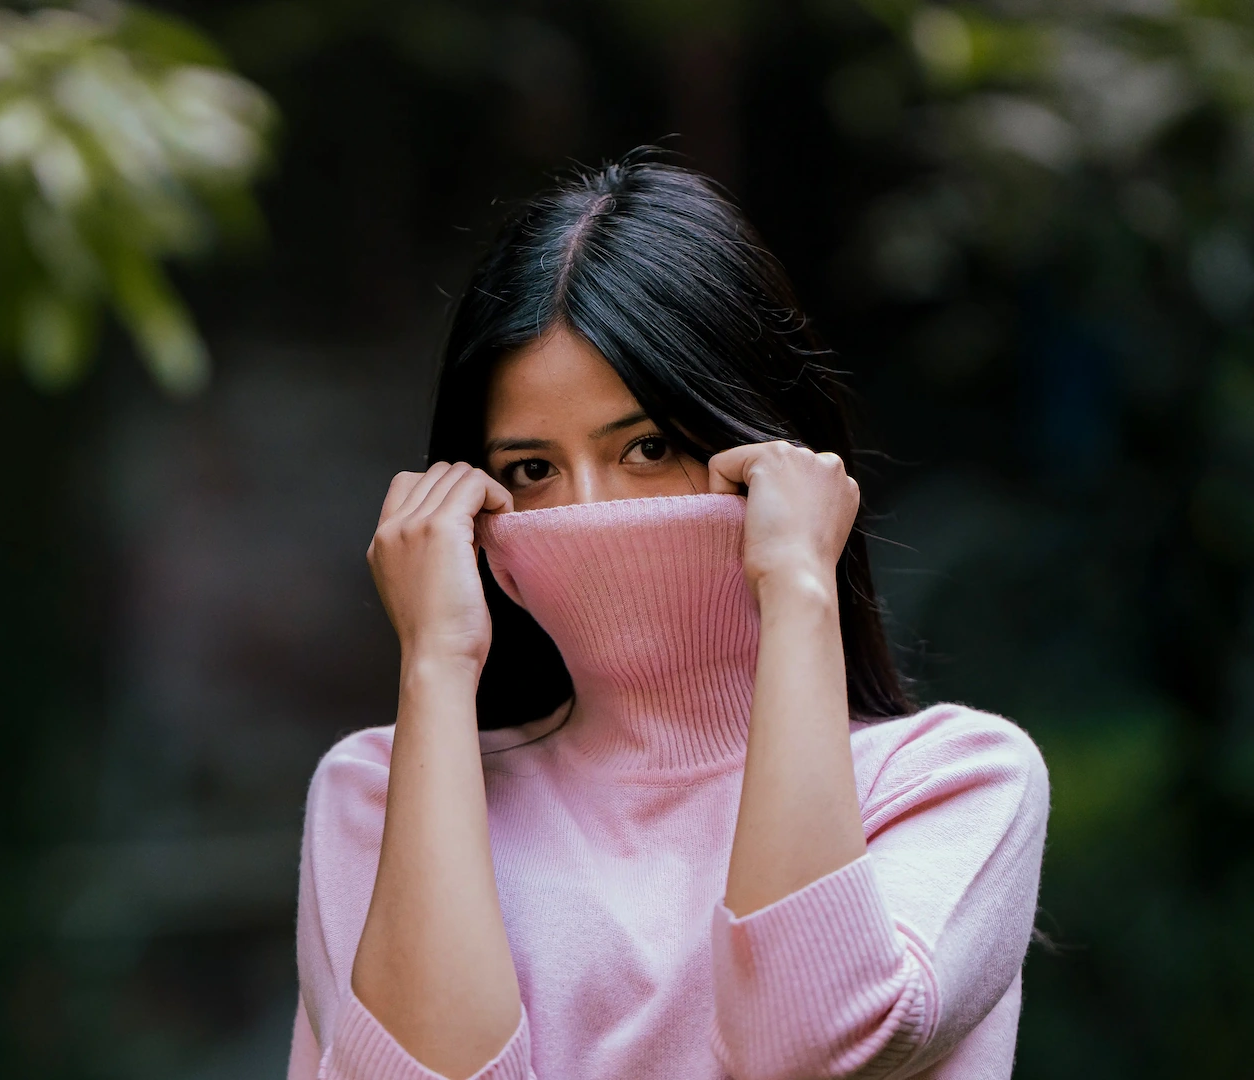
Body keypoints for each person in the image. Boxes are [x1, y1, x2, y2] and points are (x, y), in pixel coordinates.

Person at [287, 151, 1050, 1080]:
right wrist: (437, 662)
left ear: (763, 447)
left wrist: (798, 584)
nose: (591, 515)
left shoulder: (948, 786)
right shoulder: (380, 793)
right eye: (532, 471)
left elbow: (806, 1041)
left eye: (648, 447)